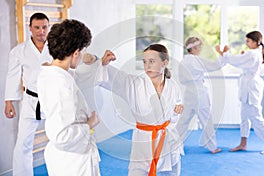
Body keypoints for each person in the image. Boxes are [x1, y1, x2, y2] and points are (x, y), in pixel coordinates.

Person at [87, 44, 184, 176]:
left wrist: (176, 112)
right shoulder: (134, 84)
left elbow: (174, 114)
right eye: (144, 62)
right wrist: (96, 61)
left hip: (168, 138)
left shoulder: (173, 86)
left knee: (171, 170)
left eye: (152, 61)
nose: (147, 66)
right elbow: (114, 76)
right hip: (143, 139)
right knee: (137, 171)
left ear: (164, 63)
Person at [36, 19, 115, 175]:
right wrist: (89, 125)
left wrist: (101, 63)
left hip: (67, 158)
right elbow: (62, 136)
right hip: (74, 162)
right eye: (83, 51)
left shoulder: (51, 73)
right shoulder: (61, 85)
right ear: (76, 53)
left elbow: (79, 78)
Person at [4, 12, 52, 175]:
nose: (41, 31)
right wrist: (9, 101)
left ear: (48, 27)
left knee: (60, 139)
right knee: (23, 144)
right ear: (30, 28)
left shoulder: (56, 48)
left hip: (53, 99)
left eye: (44, 27)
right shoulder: (19, 51)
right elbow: (12, 76)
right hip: (31, 101)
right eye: (37, 27)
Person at [215, 30, 264, 154]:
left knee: (256, 116)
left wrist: (223, 54)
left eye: (248, 41)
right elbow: (242, 61)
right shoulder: (252, 53)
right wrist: (226, 55)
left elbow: (237, 60)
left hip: (252, 88)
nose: (246, 43)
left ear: (255, 42)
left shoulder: (253, 54)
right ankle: (243, 143)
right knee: (244, 116)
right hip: (247, 87)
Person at [176, 37, 223, 154]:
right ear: (193, 48)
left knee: (183, 121)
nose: (201, 49)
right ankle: (212, 147)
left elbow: (181, 80)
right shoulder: (196, 60)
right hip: (199, 92)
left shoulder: (183, 61)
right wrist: (222, 55)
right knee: (206, 120)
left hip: (188, 93)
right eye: (199, 46)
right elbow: (214, 66)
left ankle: (175, 145)